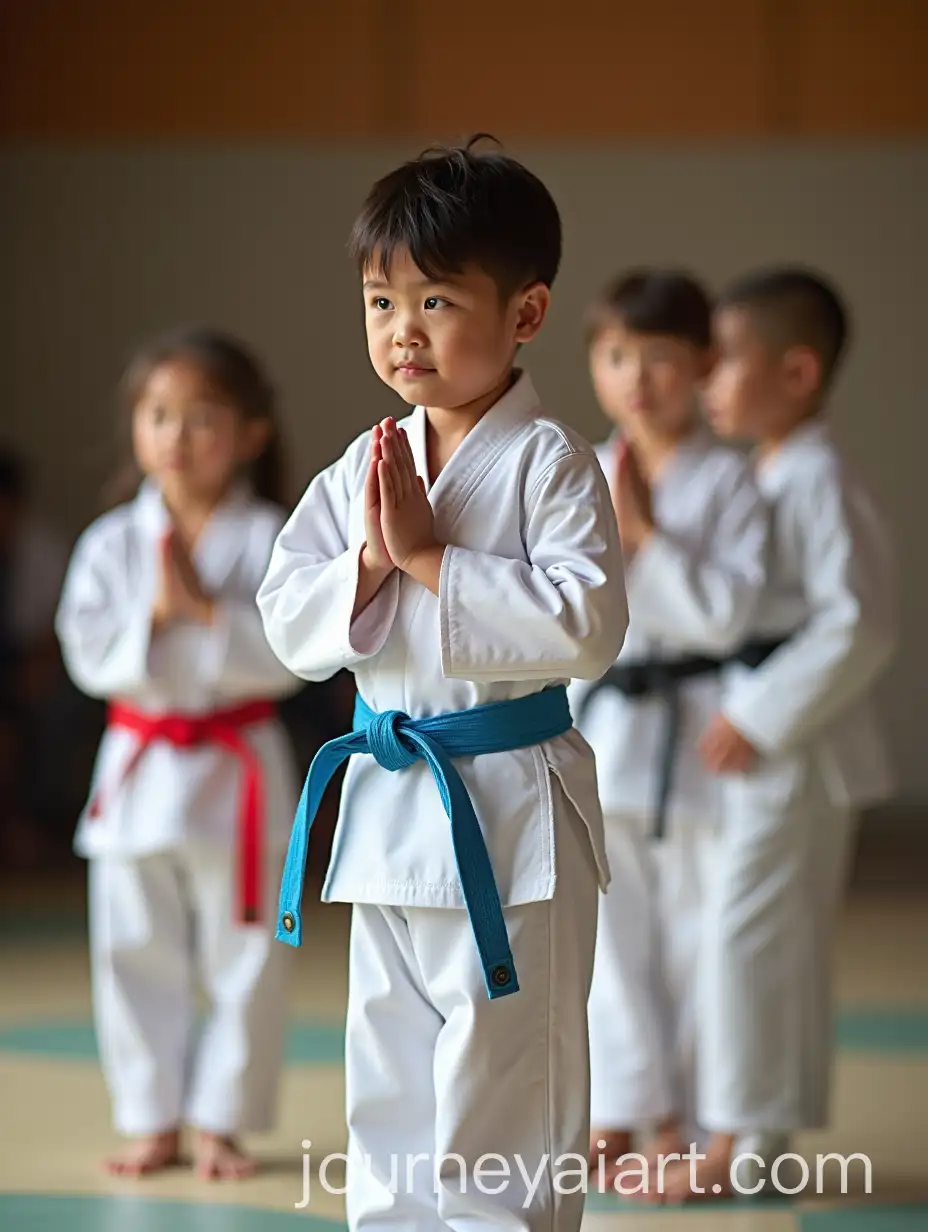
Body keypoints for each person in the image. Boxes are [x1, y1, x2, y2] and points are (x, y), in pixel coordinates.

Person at [257, 136, 627, 1230]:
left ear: (526, 312)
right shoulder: (363, 462)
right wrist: (372, 557)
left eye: (434, 299)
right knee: (389, 1060)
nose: (400, 330)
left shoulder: (552, 460)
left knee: (504, 1067)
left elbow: (588, 622)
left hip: (510, 809)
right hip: (388, 800)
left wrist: (428, 560)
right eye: (380, 301)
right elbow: (288, 617)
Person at [55, 328, 303, 1180]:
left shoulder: (278, 536)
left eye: (202, 418)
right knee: (133, 955)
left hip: (238, 772)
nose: (177, 436)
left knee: (248, 958)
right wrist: (153, 617)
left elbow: (298, 656)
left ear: (251, 433)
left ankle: (222, 1123)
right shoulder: (112, 544)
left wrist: (205, 612)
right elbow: (87, 656)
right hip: (139, 771)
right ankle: (152, 1118)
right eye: (159, 415)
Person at [679, 266, 897, 1201]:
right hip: (762, 744)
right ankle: (753, 1136)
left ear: (798, 371)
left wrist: (757, 712)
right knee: (753, 941)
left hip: (795, 749)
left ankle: (740, 1143)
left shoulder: (816, 476)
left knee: (748, 939)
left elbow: (862, 621)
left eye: (725, 360)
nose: (707, 381)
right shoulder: (764, 469)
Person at [567, 271, 770, 1195]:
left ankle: (687, 1113)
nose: (636, 379)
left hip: (697, 736)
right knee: (609, 933)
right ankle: (621, 1103)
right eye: (615, 357)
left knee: (697, 933)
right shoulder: (579, 470)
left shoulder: (733, 476)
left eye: (657, 357)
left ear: (702, 365)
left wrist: (647, 539)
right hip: (607, 723)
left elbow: (729, 616)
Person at [0, 446, 70, 866]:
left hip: (27, 669)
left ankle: (24, 823)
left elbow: (54, 633)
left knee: (53, 712)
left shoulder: (41, 551)